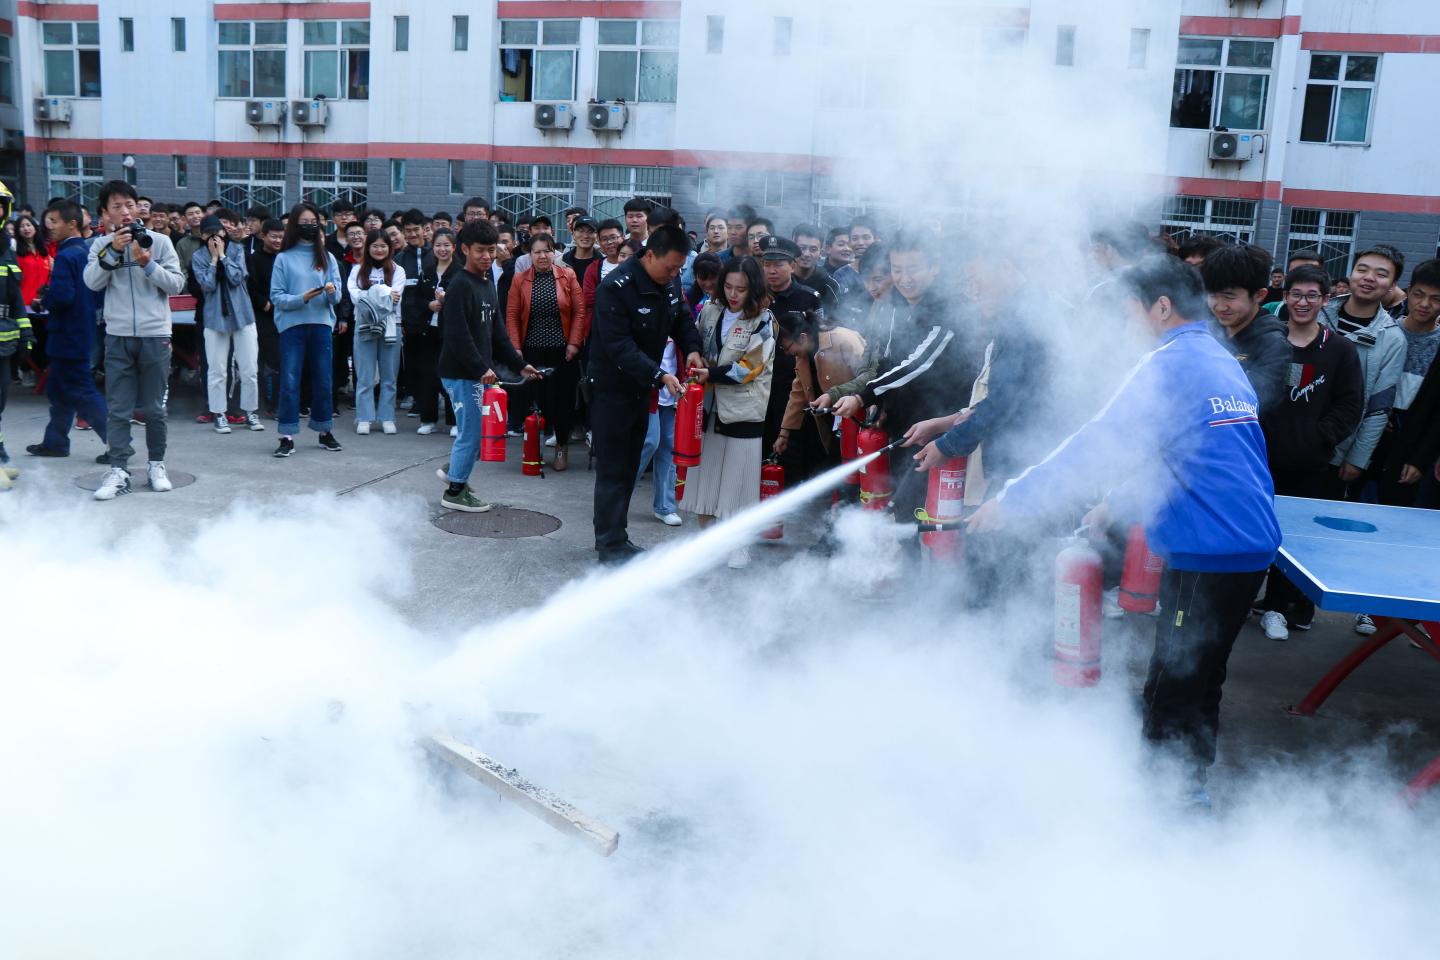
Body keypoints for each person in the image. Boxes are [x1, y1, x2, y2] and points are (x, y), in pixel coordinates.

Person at [967, 256, 1281, 806]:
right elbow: (1188, 451)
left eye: (1128, 312)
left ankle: (1164, 799)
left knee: (1174, 681)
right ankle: (1188, 786)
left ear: (1160, 307)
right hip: (1250, 543)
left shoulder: (1167, 363)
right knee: (1203, 673)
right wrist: (1118, 502)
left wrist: (1012, 501)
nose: (1124, 325)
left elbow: (1096, 443)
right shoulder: (1218, 357)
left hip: (1208, 547)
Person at [1257, 265, 1364, 641]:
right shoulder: (1267, 341)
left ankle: (1279, 607)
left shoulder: (1340, 350)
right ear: (1284, 297)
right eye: (1296, 294)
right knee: (1256, 534)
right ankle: (1248, 602)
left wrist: (1318, 438)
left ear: (1326, 300)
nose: (1303, 302)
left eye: (1312, 296)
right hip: (1258, 461)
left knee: (1294, 541)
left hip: (1310, 465)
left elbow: (1350, 405)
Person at [589, 223, 704, 564]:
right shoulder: (616, 287)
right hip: (612, 390)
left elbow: (682, 319)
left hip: (641, 390)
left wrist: (692, 348)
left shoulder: (668, 282)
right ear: (650, 255)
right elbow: (618, 346)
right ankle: (609, 545)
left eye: (679, 269)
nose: (675, 274)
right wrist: (659, 374)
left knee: (630, 466)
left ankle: (617, 537)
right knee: (614, 468)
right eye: (670, 267)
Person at [83, 180, 186, 499]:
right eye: (117, 207)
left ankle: (156, 464)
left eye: (130, 205)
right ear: (105, 214)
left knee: (154, 409)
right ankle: (118, 470)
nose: (126, 212)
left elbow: (176, 285)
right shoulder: (100, 246)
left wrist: (147, 263)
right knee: (118, 408)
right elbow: (92, 283)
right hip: (117, 336)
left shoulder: (160, 241)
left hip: (155, 335)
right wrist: (113, 250)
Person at [436, 219, 540, 513]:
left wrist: (520, 365)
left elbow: (498, 334)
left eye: (491, 250)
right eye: (480, 250)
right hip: (461, 374)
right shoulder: (459, 285)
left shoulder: (486, 282)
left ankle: (454, 469)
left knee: (478, 432)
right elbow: (457, 336)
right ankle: (455, 491)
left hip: (478, 373)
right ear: (464, 249)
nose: (486, 256)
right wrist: (480, 368)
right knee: (471, 433)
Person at [685, 256, 776, 569]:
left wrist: (710, 373)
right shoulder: (710, 310)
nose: (733, 294)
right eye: (728, 286)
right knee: (706, 477)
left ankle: (740, 545)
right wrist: (694, 356)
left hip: (744, 409)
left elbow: (751, 367)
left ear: (754, 289)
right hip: (708, 405)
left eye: (741, 288)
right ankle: (707, 540)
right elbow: (694, 341)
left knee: (740, 482)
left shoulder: (764, 320)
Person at [1318, 247, 1406, 522]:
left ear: (1392, 285)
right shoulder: (1319, 311)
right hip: (1293, 438)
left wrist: (1358, 458)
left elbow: (1380, 406)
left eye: (1381, 274)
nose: (1369, 278)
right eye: (1362, 270)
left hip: (1338, 450)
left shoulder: (1392, 338)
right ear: (1352, 273)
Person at [25, 200, 106, 459]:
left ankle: (119, 443)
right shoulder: (86, 252)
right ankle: (55, 442)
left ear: (72, 224)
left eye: (54, 221)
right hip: (81, 330)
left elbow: (62, 296)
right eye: (48, 221)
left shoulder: (66, 255)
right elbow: (96, 294)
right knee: (58, 390)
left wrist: (44, 300)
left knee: (82, 391)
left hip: (67, 335)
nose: (49, 226)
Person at [269, 202, 344, 458]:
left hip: (321, 324)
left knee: (323, 380)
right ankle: (287, 435)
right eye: (304, 223)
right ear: (294, 225)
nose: (310, 227)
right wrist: (302, 298)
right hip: (292, 326)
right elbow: (277, 297)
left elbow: (337, 296)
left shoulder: (327, 257)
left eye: (314, 222)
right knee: (290, 381)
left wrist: (331, 292)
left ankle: (325, 430)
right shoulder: (283, 258)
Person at [505, 233, 585, 470]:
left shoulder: (568, 275)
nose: (542, 256)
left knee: (563, 401)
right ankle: (534, 448)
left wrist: (574, 343)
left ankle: (561, 446)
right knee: (539, 401)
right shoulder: (519, 279)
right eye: (537, 251)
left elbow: (579, 312)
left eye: (547, 251)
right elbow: (512, 315)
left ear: (554, 253)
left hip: (563, 352)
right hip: (532, 351)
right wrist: (516, 348)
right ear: (529, 254)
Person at [1369, 258, 1440, 507]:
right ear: (1408, 292)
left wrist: (1421, 458)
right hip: (1373, 437)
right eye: (1419, 294)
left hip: (1415, 442)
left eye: (1435, 299)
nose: (1425, 304)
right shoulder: (1384, 332)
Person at [756, 236, 824, 478]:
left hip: (794, 381)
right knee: (762, 438)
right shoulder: (756, 297)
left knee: (793, 441)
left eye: (778, 265)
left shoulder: (808, 297)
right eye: (767, 264)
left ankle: (793, 486)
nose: (771, 270)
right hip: (760, 380)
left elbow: (819, 342)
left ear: (793, 266)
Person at [1198, 243, 1290, 418]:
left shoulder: (1273, 344)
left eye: (1229, 296)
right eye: (1212, 295)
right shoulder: (1205, 331)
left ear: (1259, 295)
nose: (1219, 306)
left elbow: (1257, 403)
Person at [191, 213, 262, 433]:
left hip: (243, 316)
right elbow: (207, 286)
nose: (215, 237)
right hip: (214, 318)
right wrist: (213, 261)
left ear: (224, 232)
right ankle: (219, 413)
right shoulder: (198, 256)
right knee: (217, 370)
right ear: (202, 236)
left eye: (218, 232)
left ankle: (250, 411)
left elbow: (237, 278)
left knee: (249, 368)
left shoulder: (237, 250)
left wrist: (222, 256)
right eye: (208, 233)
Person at [347, 229, 405, 435]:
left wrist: (370, 294)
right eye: (375, 246)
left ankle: (387, 417)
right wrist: (383, 293)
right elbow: (355, 297)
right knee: (364, 375)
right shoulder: (357, 270)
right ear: (368, 247)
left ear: (389, 248)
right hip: (363, 325)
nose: (379, 250)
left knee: (389, 375)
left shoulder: (398, 270)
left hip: (392, 325)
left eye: (383, 246)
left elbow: (395, 299)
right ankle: (364, 417)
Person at [0, 182, 32, 462]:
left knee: (1, 397)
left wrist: (26, 332)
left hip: (4, 339)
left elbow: (15, 295)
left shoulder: (6, 247)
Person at [247, 218, 286, 417]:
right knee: (271, 364)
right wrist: (266, 304)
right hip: (265, 318)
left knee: (285, 362)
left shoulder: (286, 257)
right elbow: (250, 288)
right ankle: (272, 405)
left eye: (281, 237)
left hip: (287, 316)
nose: (278, 240)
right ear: (263, 236)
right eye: (274, 237)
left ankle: (283, 402)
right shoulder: (254, 259)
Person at [582, 219, 627, 313]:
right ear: (599, 241)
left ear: (623, 237)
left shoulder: (632, 265)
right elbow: (588, 299)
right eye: (604, 239)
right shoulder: (593, 268)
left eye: (613, 237)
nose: (609, 242)